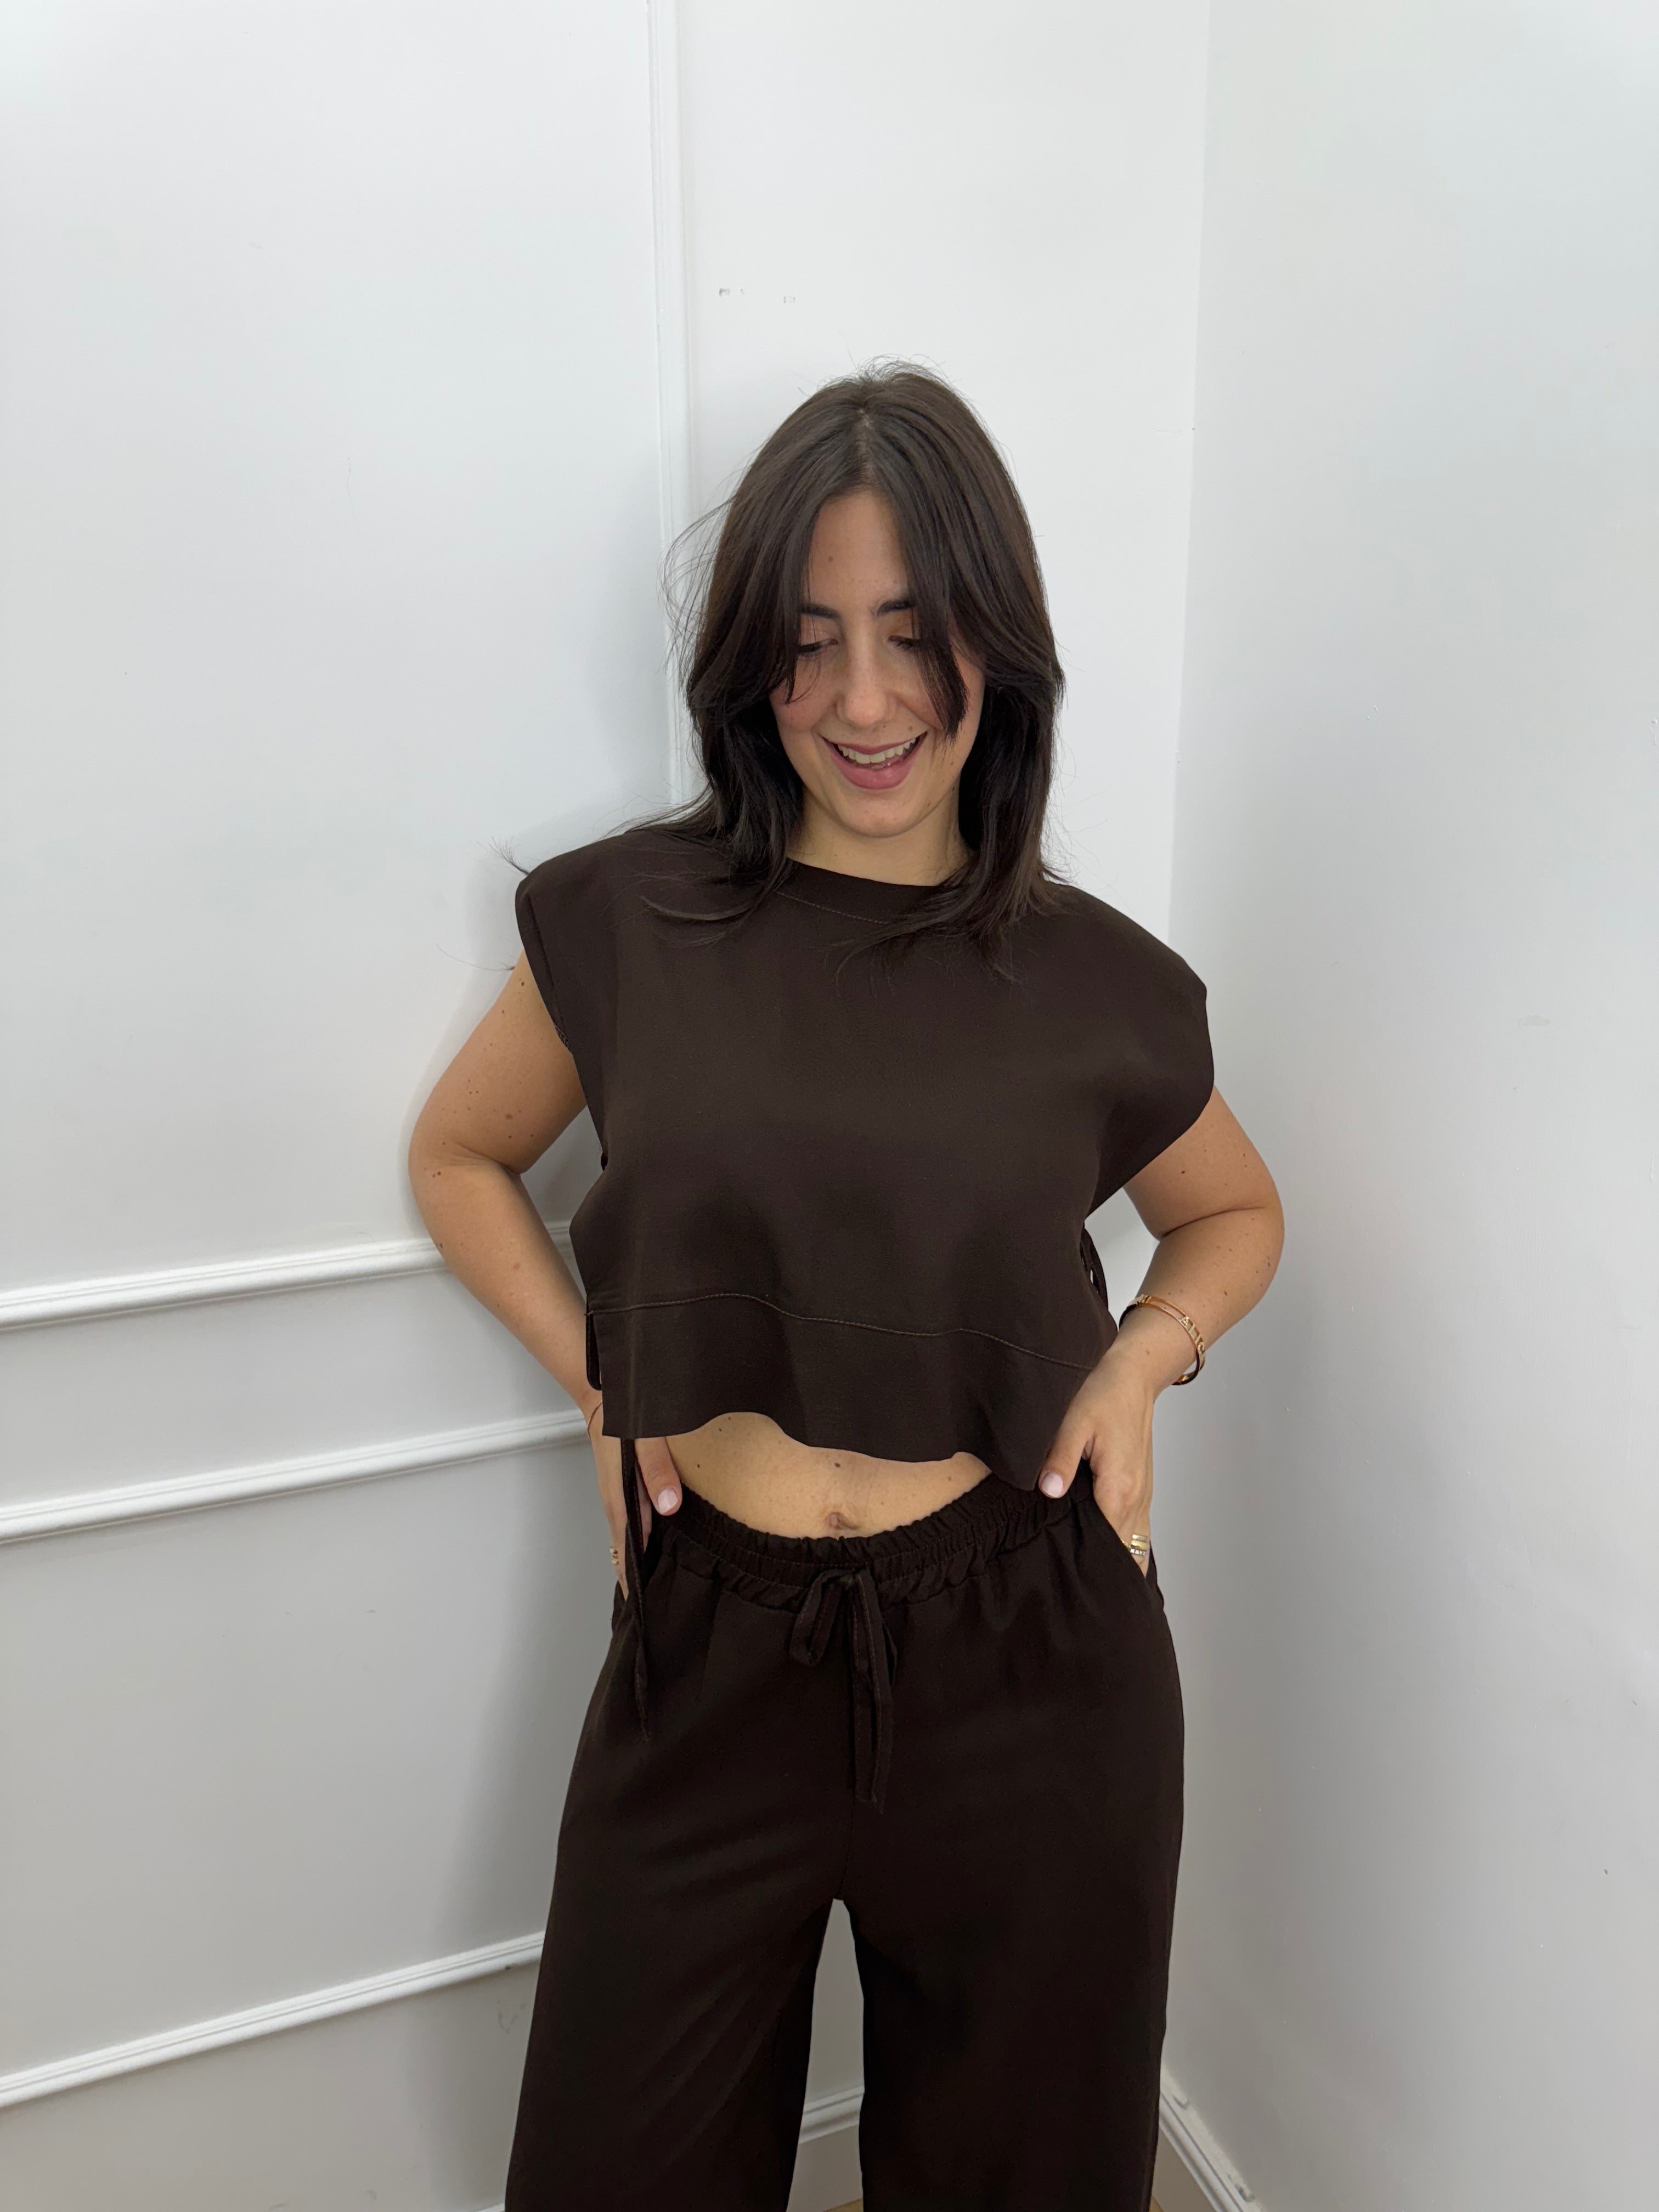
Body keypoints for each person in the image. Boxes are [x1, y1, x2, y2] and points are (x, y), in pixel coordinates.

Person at [408, 363, 1283, 2211]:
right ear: (750, 668)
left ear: (998, 651)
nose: (865, 703)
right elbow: (460, 1157)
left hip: (1032, 1647)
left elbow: (1234, 1213)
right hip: (710, 1642)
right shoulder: (632, 923)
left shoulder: (1098, 982)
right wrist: (601, 1377)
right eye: (809, 645)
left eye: (913, 635)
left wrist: (1143, 1362)